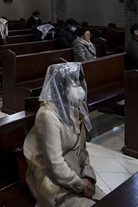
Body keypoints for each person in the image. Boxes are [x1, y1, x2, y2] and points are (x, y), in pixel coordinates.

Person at [23, 62, 105, 206]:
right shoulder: (47, 115)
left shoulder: (74, 109)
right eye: (74, 85)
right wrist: (80, 186)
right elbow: (55, 164)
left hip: (76, 177)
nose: (79, 89)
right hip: (52, 183)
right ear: (60, 87)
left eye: (80, 84)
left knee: (112, 200)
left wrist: (88, 177)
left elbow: (83, 151)